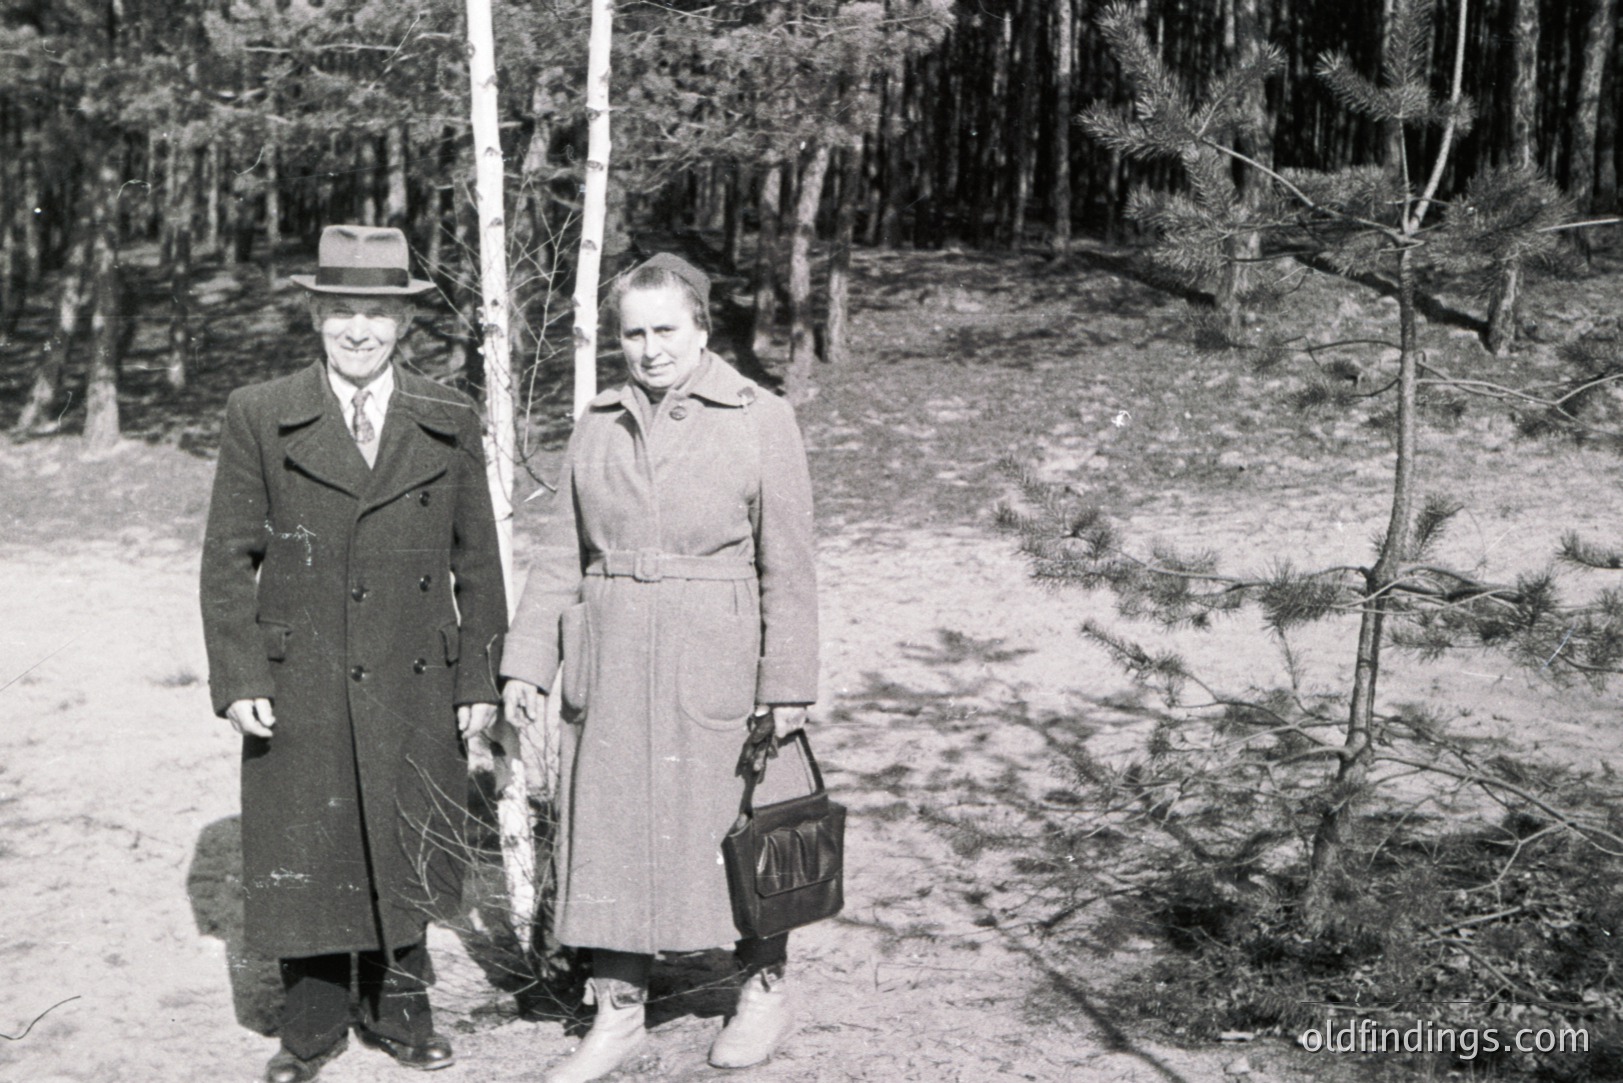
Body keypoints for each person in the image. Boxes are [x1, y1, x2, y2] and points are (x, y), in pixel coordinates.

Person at [501, 252, 821, 1082]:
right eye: (632, 333)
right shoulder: (596, 422)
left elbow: (789, 562)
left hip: (714, 656)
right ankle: (617, 1012)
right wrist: (527, 663)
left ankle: (763, 991)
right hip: (607, 660)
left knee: (738, 824)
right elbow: (560, 557)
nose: (648, 349)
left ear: (701, 328)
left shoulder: (759, 417)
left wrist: (785, 682)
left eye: (665, 330)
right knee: (607, 827)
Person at [200, 225, 507, 1083]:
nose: (361, 331)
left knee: (408, 829)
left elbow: (477, 557)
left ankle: (402, 1009)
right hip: (302, 671)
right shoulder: (260, 412)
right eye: (343, 313)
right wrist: (239, 675)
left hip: (417, 665)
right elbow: (228, 556)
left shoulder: (446, 412)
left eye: (377, 313)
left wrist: (480, 671)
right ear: (316, 316)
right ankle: (311, 1026)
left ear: (404, 323)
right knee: (312, 834)